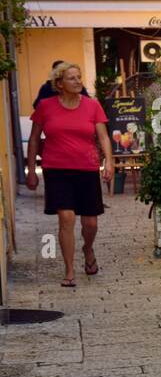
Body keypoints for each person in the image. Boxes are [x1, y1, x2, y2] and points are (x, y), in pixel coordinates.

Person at [25, 63, 114, 288]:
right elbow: (35, 138)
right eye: (72, 78)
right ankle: (70, 270)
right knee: (66, 218)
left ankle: (88, 248)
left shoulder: (93, 106)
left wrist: (109, 162)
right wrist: (31, 171)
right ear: (59, 84)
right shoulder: (45, 106)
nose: (77, 81)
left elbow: (103, 137)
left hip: (86, 168)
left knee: (91, 223)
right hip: (57, 169)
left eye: (79, 77)